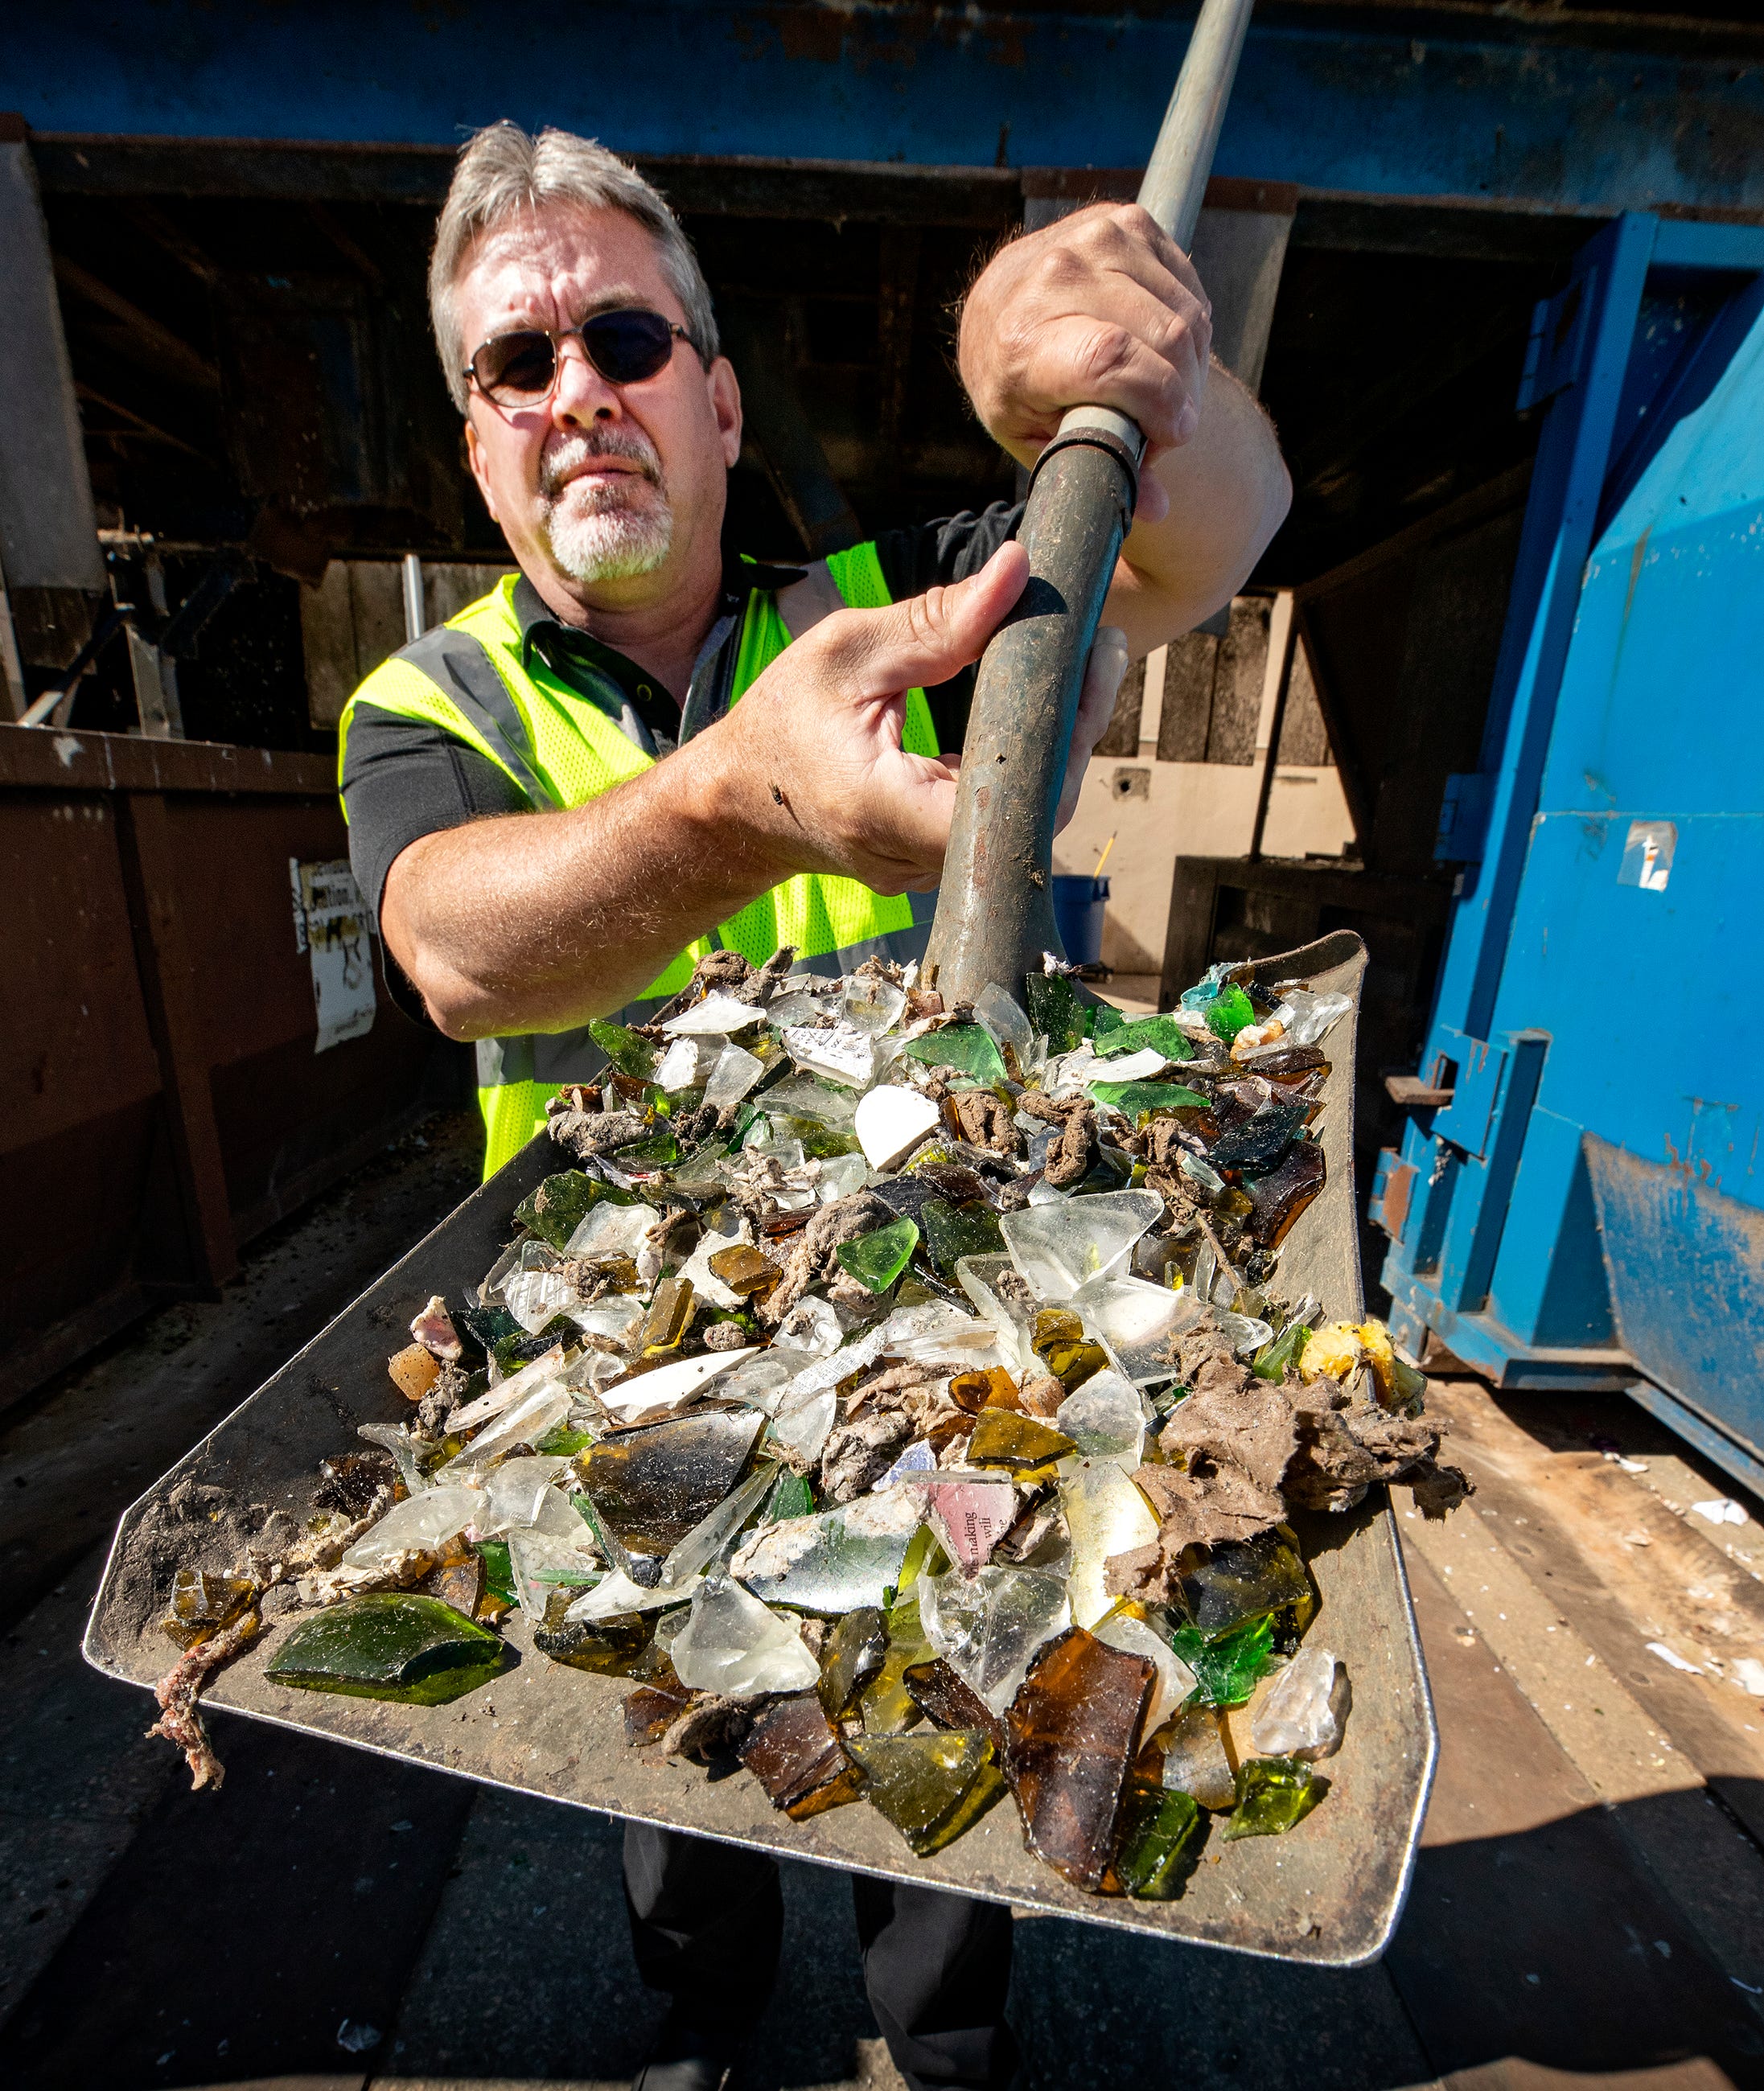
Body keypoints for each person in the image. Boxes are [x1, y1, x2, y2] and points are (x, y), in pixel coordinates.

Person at [339, 122, 1288, 2091]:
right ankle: (705, 2024)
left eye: (624, 339)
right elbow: (448, 948)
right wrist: (724, 806)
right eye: (516, 365)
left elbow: (1197, 546)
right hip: (618, 1373)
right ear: (478, 444)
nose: (575, 392)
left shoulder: (899, 605)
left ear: (717, 399)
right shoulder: (428, 706)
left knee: (948, 1677)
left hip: (928, 1336)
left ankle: (944, 2044)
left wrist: (1121, 385)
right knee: (681, 1739)